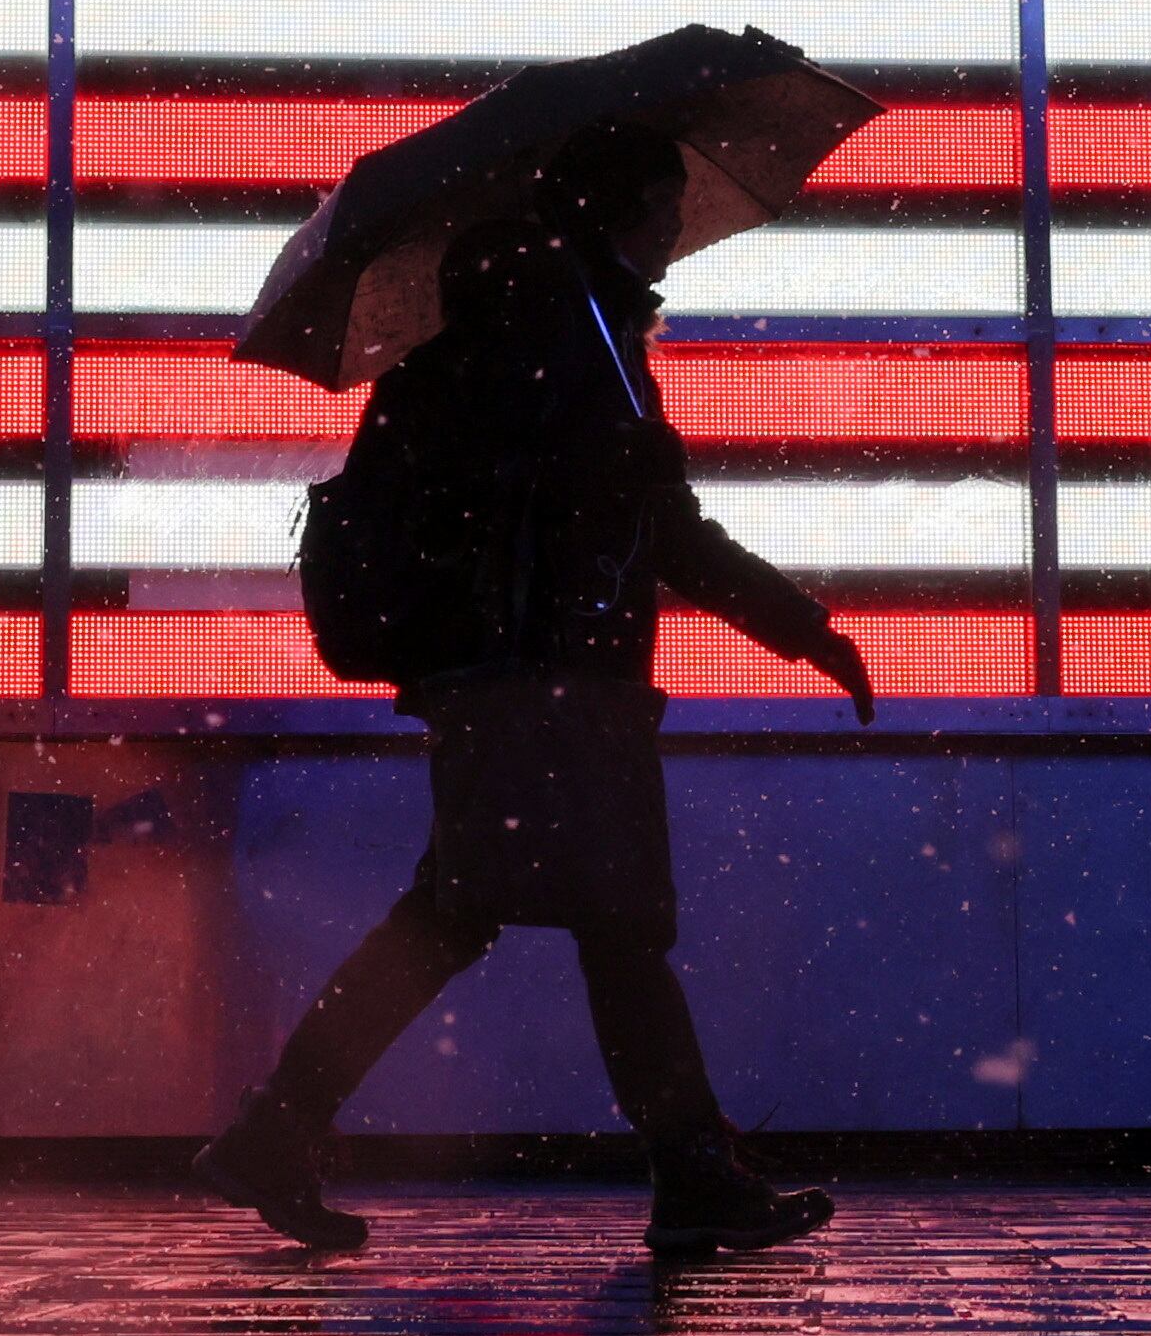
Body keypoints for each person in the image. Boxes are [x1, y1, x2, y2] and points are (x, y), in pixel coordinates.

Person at [194, 118, 876, 1258]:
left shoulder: (545, 320)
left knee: (474, 914)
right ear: (617, 208)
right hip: (548, 675)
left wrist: (773, 605)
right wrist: (780, 608)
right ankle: (690, 1173)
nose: (671, 231)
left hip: (514, 675)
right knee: (603, 923)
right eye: (660, 207)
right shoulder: (556, 325)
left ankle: (280, 1126)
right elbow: (604, 512)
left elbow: (618, 512)